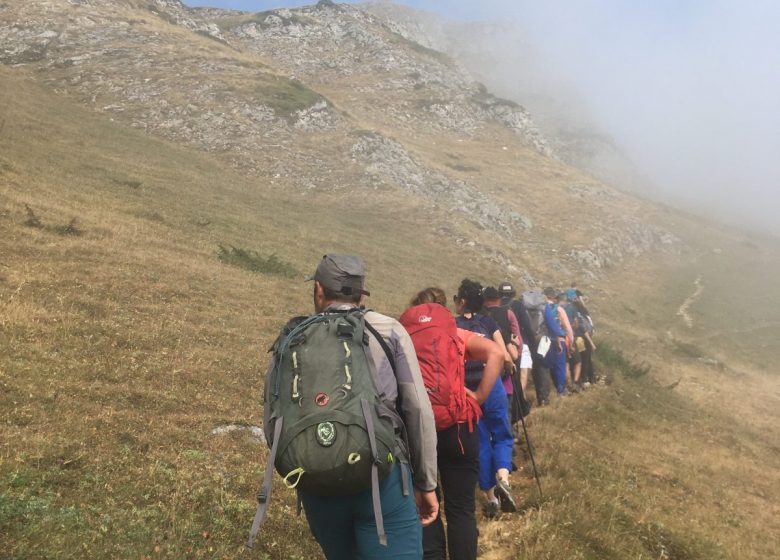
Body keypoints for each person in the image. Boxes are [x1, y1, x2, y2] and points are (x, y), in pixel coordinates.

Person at [263, 255, 438, 559]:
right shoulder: (389, 330)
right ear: (361, 293)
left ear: (319, 291)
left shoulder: (295, 336)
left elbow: (272, 420)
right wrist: (426, 482)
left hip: (317, 481)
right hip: (383, 478)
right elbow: (418, 409)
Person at [405, 288, 504, 560]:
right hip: (459, 426)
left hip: (418, 430)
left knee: (426, 505)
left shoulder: (404, 337)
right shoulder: (457, 334)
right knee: (461, 509)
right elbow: (497, 354)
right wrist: (480, 396)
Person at [454, 279, 517, 518]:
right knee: (502, 433)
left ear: (461, 301)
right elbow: (503, 355)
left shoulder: (453, 325)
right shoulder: (488, 322)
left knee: (480, 441)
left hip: (468, 390)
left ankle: (491, 498)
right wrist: (510, 368)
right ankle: (504, 479)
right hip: (493, 386)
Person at [498, 282, 547, 406]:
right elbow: (526, 325)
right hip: (520, 342)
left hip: (500, 344)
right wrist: (531, 342)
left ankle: (512, 400)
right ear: (513, 294)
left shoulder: (496, 306)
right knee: (523, 373)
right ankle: (518, 400)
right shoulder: (518, 305)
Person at [542, 287, 568, 396]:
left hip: (541, 340)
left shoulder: (539, 307)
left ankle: (544, 393)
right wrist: (568, 341)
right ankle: (560, 390)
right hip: (557, 340)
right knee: (560, 365)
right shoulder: (558, 309)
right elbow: (567, 327)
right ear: (553, 297)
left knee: (544, 366)